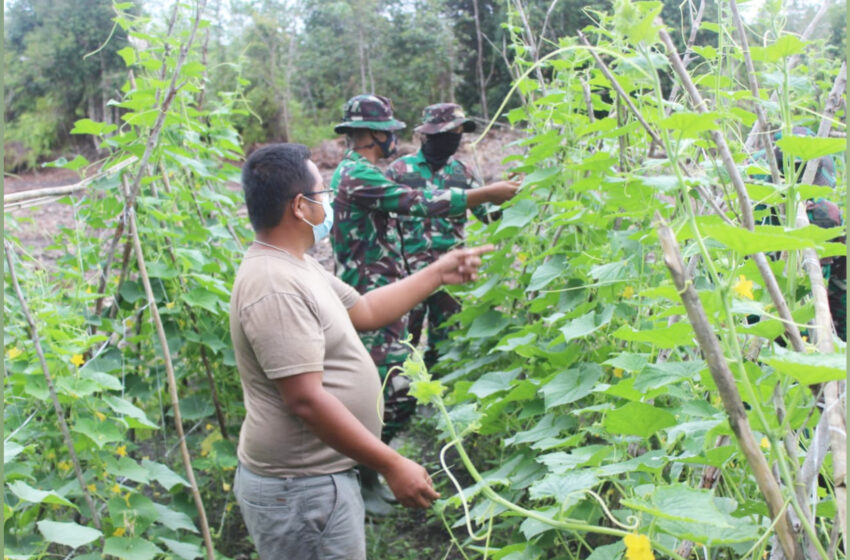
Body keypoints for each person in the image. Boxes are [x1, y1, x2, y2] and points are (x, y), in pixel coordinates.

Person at [230, 143, 495, 559]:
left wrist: (438, 271)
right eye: (322, 194)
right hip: (299, 490)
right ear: (300, 207)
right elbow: (306, 401)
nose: (329, 204)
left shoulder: (297, 264)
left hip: (316, 481)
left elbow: (366, 309)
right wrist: (392, 464)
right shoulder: (274, 284)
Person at [329, 94, 519, 446]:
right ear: (373, 134)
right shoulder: (369, 173)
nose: (393, 138)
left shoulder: (459, 172)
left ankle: (392, 444)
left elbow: (489, 216)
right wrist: (487, 193)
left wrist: (504, 199)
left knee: (435, 348)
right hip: (388, 286)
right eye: (389, 131)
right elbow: (414, 203)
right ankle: (371, 460)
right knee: (391, 373)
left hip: (431, 276)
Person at [386, 103, 498, 370]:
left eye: (458, 132)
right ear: (429, 134)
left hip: (451, 273)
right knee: (402, 341)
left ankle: (440, 394)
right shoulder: (400, 171)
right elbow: (383, 221)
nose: (454, 138)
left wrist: (512, 194)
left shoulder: (463, 172)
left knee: (447, 340)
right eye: (449, 132)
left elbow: (490, 215)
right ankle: (402, 399)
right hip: (408, 272)